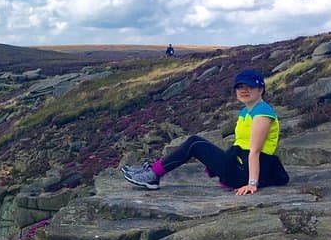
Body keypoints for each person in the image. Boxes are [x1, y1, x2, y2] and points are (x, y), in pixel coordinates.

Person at [122, 69, 289, 195]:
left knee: (195, 143)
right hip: (239, 163)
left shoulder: (263, 113)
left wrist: (252, 183)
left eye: (249, 86)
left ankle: (152, 175)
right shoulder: (246, 111)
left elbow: (255, 151)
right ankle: (152, 172)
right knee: (195, 142)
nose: (243, 90)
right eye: (240, 87)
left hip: (247, 172)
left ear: (260, 89)